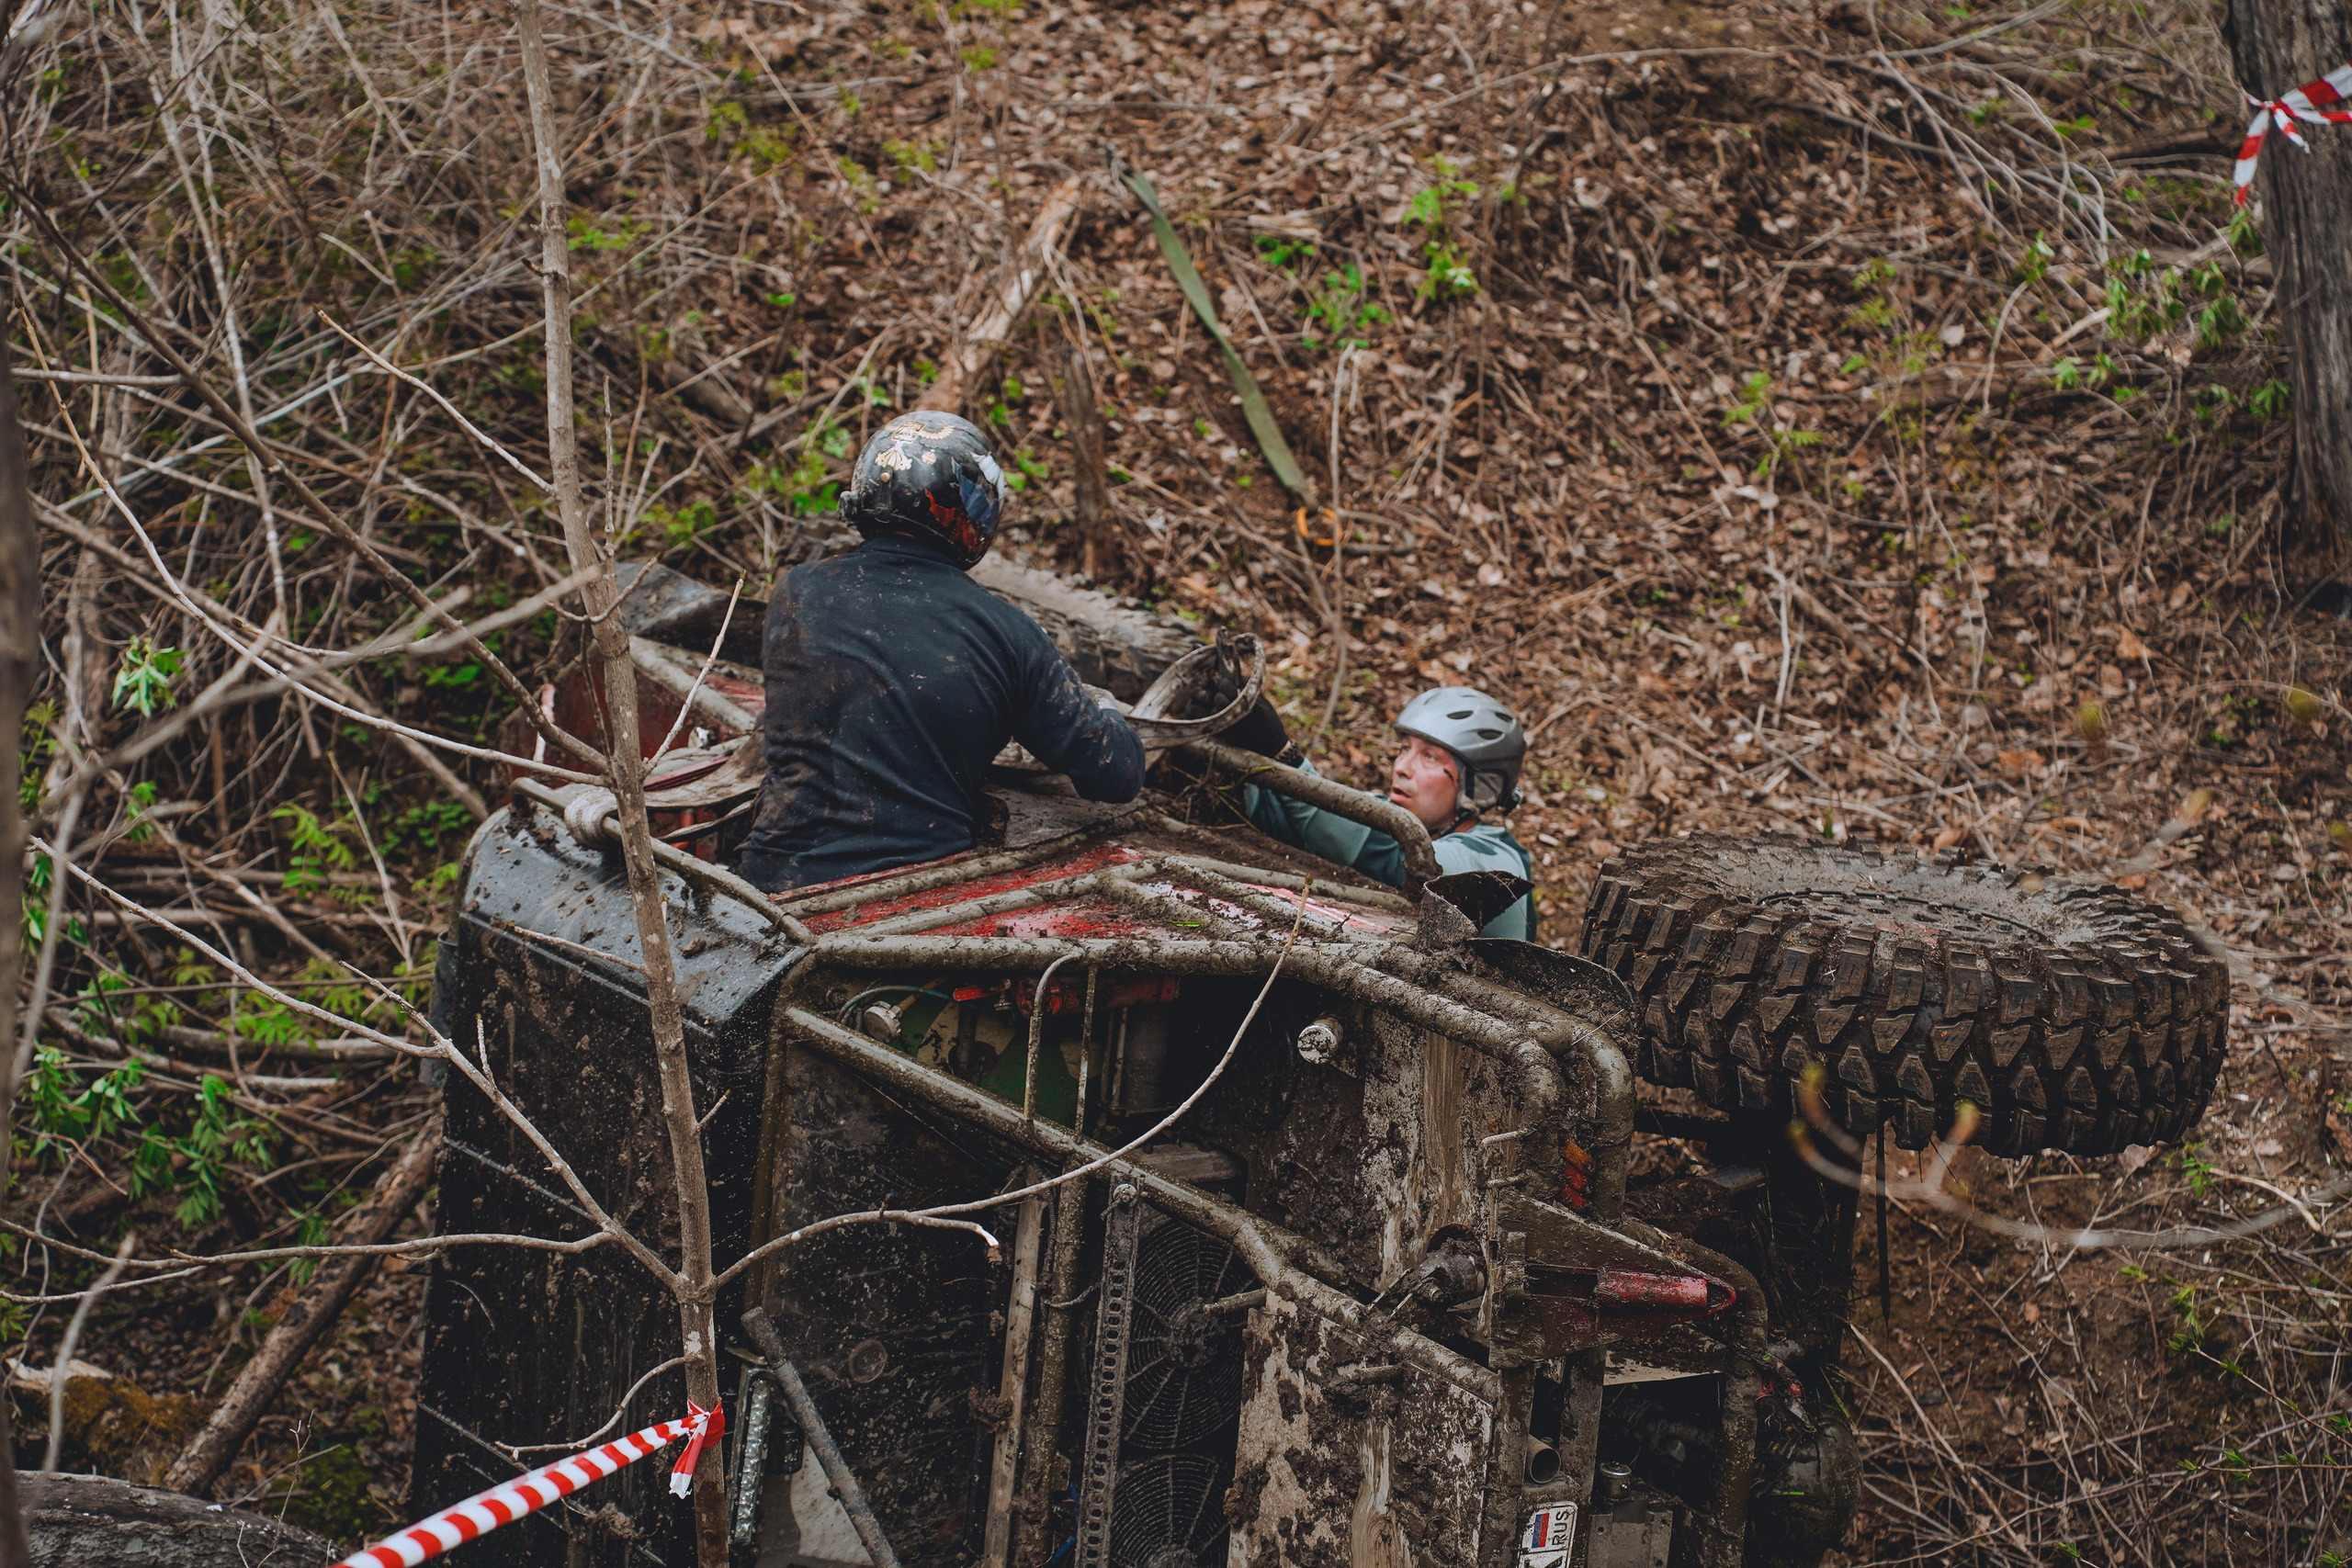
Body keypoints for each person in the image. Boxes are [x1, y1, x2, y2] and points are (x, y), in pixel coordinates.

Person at [737, 411, 1145, 894]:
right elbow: (1116, 776)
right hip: (911, 896)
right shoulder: (1007, 632)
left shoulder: (798, 592)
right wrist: (1104, 707)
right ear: (975, 511)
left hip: (775, 878)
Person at [1227, 685, 1535, 939]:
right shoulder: (1390, 814)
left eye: (1429, 756)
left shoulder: (1497, 859)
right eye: (1404, 749)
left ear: (1479, 786)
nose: (1401, 768)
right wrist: (1235, 743)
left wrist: (1284, 756)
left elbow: (1400, 862)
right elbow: (1289, 827)